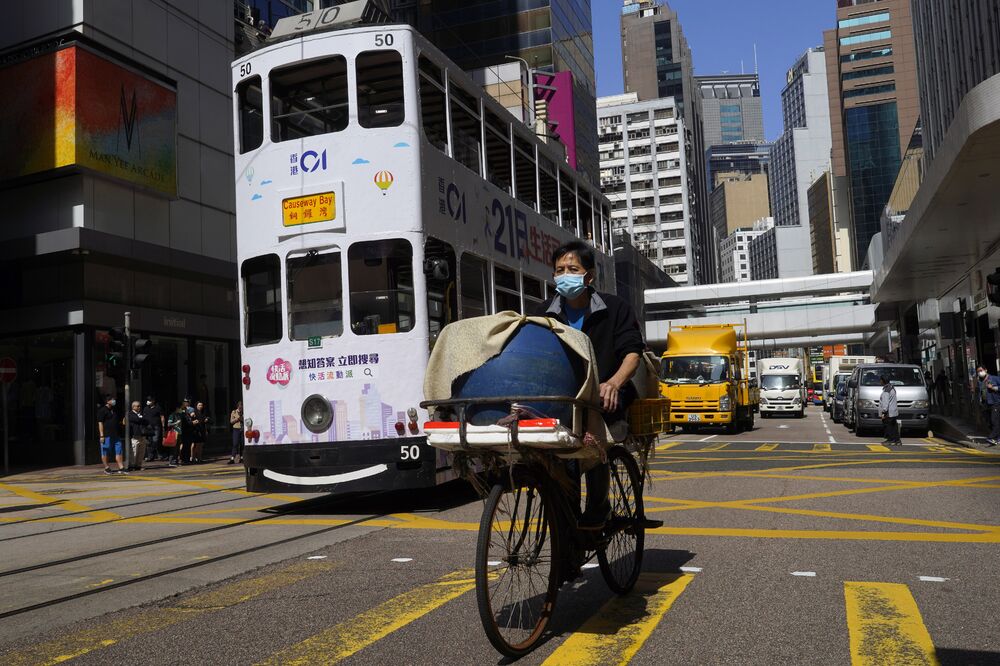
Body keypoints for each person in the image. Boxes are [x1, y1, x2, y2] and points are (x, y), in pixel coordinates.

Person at [537, 240, 644, 526]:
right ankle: (565, 526)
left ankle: (599, 508)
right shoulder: (542, 313)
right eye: (559, 270)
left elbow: (633, 353)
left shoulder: (615, 308)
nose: (564, 275)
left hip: (605, 398)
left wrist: (613, 383)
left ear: (589, 276)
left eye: (572, 268)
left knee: (595, 440)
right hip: (561, 399)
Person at [96, 395, 126, 474]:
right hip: (106, 435)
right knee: (105, 451)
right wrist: (101, 435)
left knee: (119, 450)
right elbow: (100, 423)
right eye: (112, 400)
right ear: (108, 401)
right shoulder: (102, 410)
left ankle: (121, 467)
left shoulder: (114, 410)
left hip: (116, 434)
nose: (114, 401)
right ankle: (106, 467)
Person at [975, 365, 1000, 446]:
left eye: (981, 370)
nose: (980, 372)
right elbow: (980, 393)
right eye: (978, 371)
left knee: (994, 420)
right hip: (985, 404)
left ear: (986, 370)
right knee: (989, 422)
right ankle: (997, 438)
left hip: (995, 402)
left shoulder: (994, 378)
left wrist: (993, 388)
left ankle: (991, 438)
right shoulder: (979, 381)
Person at [879, 375, 902, 446]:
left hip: (888, 412)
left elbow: (885, 403)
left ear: (883, 381)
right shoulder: (891, 388)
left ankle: (890, 440)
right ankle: (897, 440)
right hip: (893, 411)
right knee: (894, 426)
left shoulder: (886, 390)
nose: (880, 381)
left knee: (888, 427)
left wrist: (884, 412)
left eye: (880, 380)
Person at [126, 401, 149, 470]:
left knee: (141, 452)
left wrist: (141, 419)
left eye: (139, 406)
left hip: (142, 435)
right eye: (137, 406)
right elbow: (136, 420)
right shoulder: (130, 414)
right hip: (135, 436)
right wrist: (142, 419)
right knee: (134, 451)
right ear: (133, 407)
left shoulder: (141, 414)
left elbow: (147, 421)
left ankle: (138, 465)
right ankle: (132, 465)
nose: (139, 407)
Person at [142, 396, 165, 462]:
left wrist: (163, 426)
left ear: (153, 401)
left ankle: (159, 455)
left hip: (156, 427)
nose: (148, 401)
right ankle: (150, 456)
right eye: (148, 400)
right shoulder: (145, 408)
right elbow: (143, 417)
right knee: (149, 442)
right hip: (148, 427)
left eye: (150, 400)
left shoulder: (158, 408)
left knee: (156, 441)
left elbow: (162, 417)